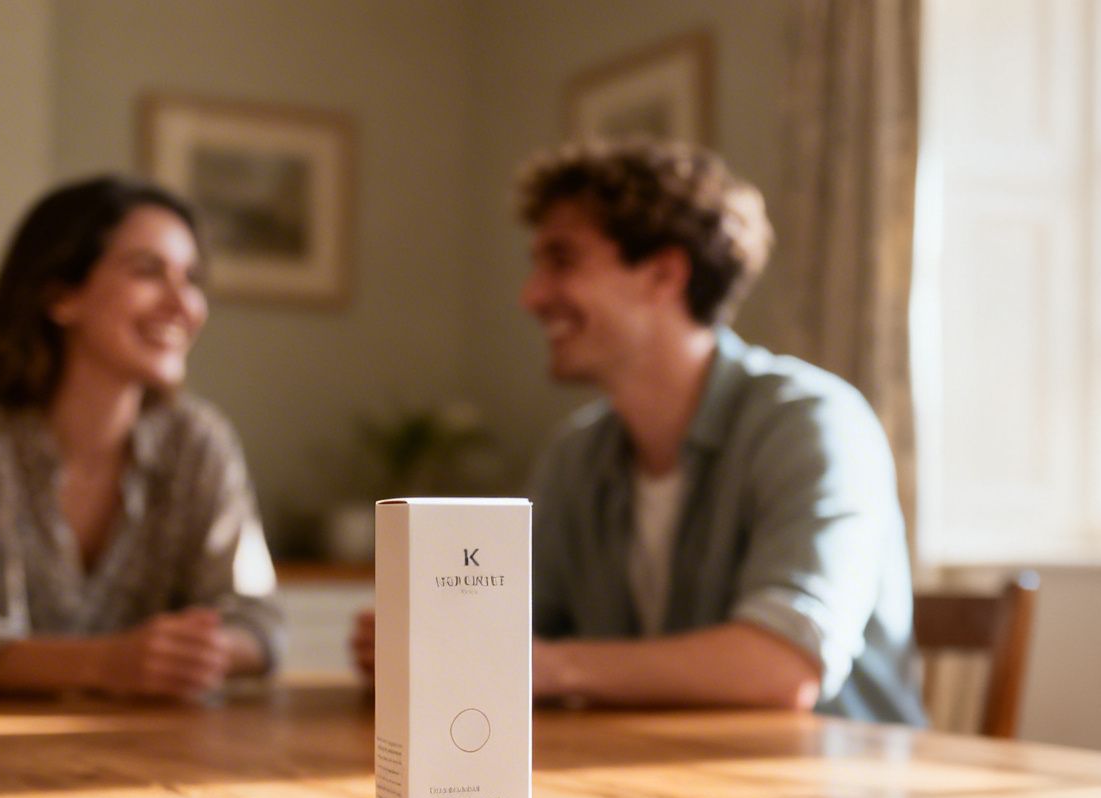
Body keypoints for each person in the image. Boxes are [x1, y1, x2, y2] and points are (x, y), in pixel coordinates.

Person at [354, 139, 922, 720]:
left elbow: (782, 668)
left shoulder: (813, 422)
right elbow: (517, 632)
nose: (530, 296)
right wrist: (434, 641)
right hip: (658, 766)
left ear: (663, 274)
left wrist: (538, 666)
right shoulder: (576, 454)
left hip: (835, 774)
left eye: (561, 261)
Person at [0, 175, 281, 699]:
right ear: (60, 295)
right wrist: (106, 663)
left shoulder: (197, 442)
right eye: (148, 271)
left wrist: (189, 655)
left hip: (154, 747)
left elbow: (260, 620)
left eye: (191, 278)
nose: (184, 305)